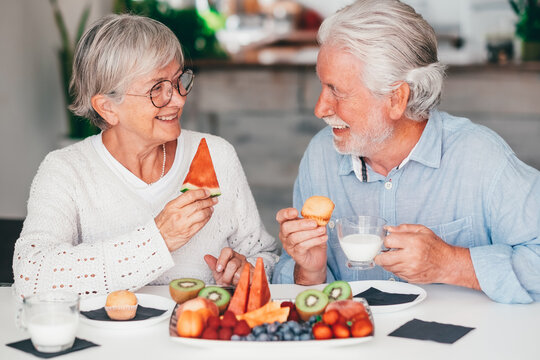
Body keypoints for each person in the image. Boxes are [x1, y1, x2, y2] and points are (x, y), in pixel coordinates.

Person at [272, 0, 540, 304]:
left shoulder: (479, 157)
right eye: (322, 86)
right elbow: (300, 291)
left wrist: (451, 263)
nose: (320, 108)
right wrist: (309, 272)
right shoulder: (321, 155)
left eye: (337, 91)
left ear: (397, 98)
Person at [13, 14, 278, 299]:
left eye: (179, 81)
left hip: (200, 335)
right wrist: (158, 240)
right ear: (107, 108)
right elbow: (31, 274)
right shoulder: (66, 170)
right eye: (157, 89)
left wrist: (245, 269)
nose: (178, 99)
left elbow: (265, 256)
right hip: (109, 341)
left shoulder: (217, 153)